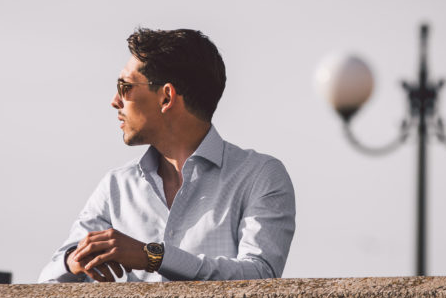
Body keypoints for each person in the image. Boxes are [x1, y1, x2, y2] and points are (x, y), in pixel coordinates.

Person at [38, 28, 295, 283]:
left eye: (125, 87)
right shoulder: (116, 186)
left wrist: (152, 256)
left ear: (166, 97)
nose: (115, 101)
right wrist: (72, 262)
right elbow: (46, 284)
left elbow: (260, 276)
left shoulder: (259, 176)